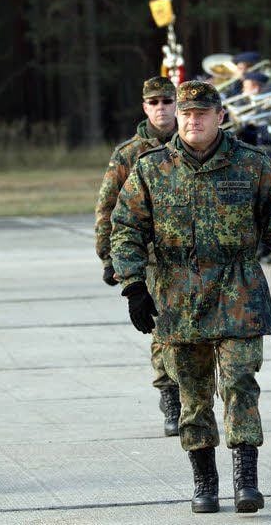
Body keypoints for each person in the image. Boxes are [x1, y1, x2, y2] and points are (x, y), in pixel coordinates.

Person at [111, 80, 271, 514]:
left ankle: (246, 480)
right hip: (178, 298)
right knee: (193, 396)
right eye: (185, 114)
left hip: (238, 291)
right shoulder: (151, 168)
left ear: (221, 116)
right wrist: (134, 287)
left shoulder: (252, 166)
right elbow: (125, 230)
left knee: (240, 385)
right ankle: (204, 480)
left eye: (202, 113)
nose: (193, 120)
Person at [94, 76, 180, 436]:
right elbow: (108, 206)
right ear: (145, 107)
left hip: (189, 254)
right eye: (154, 102)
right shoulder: (129, 154)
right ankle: (171, 395)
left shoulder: (193, 141)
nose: (161, 108)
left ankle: (194, 393)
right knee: (162, 327)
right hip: (148, 256)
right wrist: (108, 257)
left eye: (167, 101)